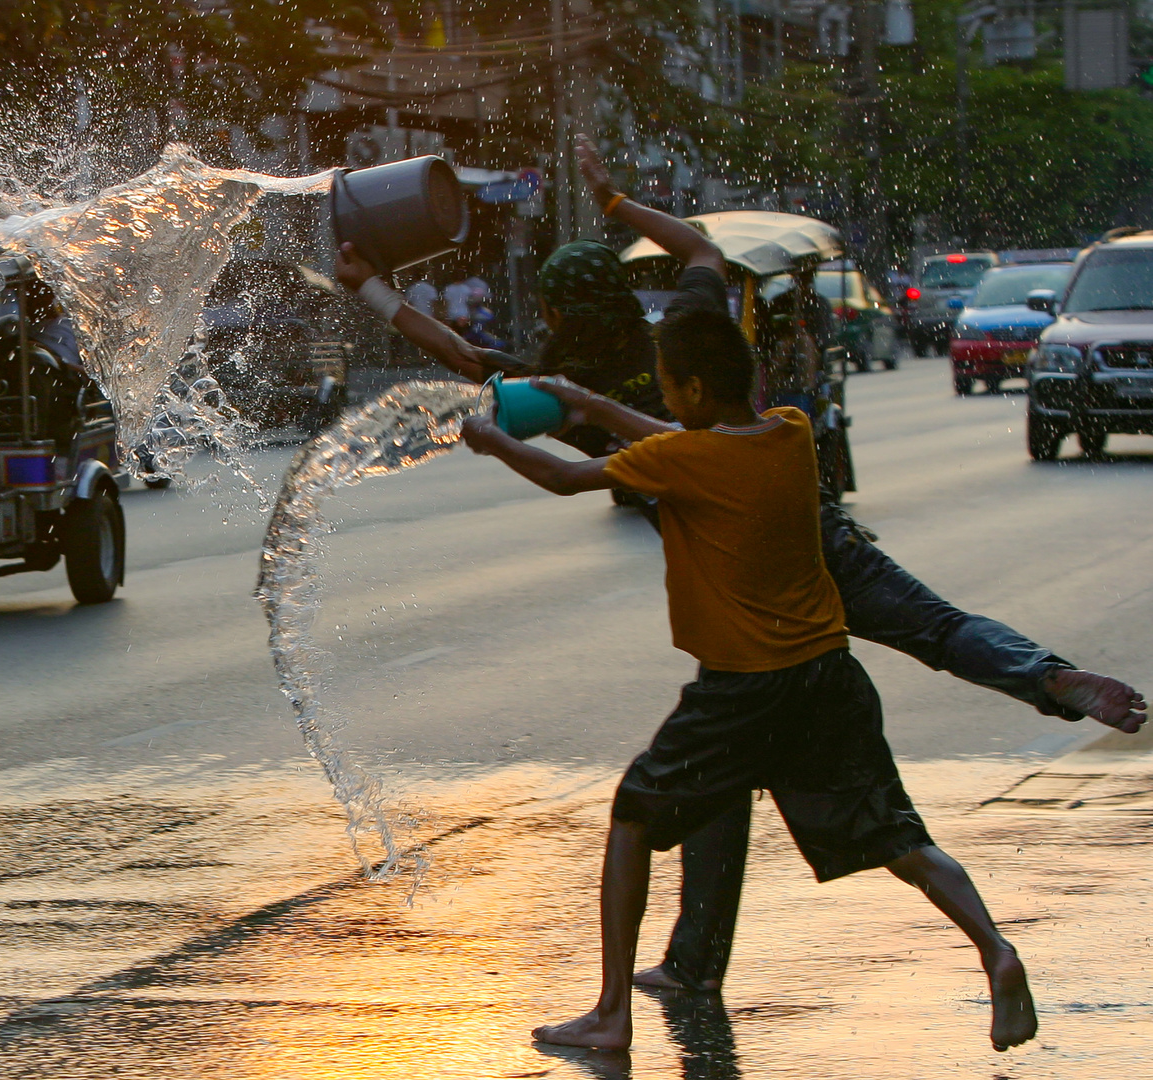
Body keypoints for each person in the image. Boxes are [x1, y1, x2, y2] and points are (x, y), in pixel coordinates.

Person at [334, 132, 1145, 995]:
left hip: (739, 597)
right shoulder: (693, 333)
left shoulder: (565, 379)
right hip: (812, 535)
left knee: (715, 763)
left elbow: (473, 369)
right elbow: (701, 251)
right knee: (935, 629)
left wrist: (372, 291)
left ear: (562, 311)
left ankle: (688, 966)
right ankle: (1047, 678)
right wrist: (614, 201)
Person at [458, 283, 1039, 1052]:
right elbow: (675, 434)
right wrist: (588, 403)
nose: (663, 399)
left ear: (692, 388)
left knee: (633, 818)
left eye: (669, 385)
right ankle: (995, 949)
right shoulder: (789, 433)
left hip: (742, 688)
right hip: (828, 677)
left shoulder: (679, 459)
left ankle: (609, 1014)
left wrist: (490, 438)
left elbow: (569, 478)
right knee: (897, 837)